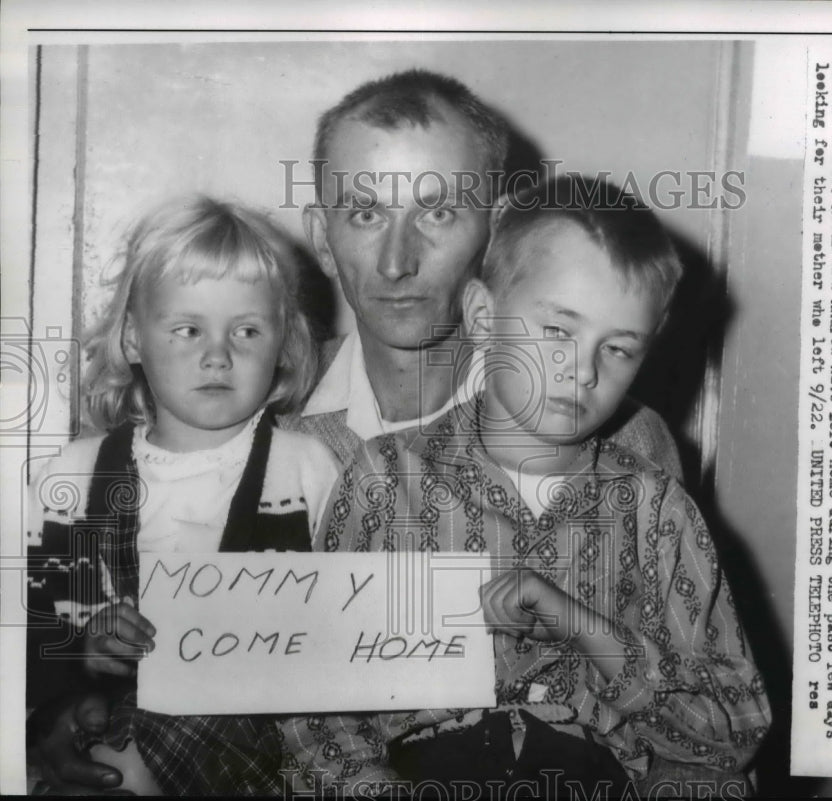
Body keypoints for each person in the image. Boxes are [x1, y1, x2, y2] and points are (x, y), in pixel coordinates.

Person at [27, 69, 685, 792]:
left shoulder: (618, 446)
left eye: (438, 212)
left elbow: (682, 715)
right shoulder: (252, 433)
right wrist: (61, 714)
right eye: (366, 213)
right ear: (322, 233)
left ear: (496, 228)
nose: (398, 262)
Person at [281, 175, 771, 795]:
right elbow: (315, 710)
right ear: (483, 316)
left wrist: (584, 627)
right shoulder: (383, 481)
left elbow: (733, 731)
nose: (583, 370)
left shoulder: (657, 512)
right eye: (558, 331)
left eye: (618, 349)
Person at [25, 196, 342, 795]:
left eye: (246, 330)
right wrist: (83, 654)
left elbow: (344, 630)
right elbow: (28, 631)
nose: (217, 355)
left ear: (284, 345)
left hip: (254, 739)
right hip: (100, 725)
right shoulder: (74, 478)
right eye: (188, 330)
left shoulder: (306, 470)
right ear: (133, 340)